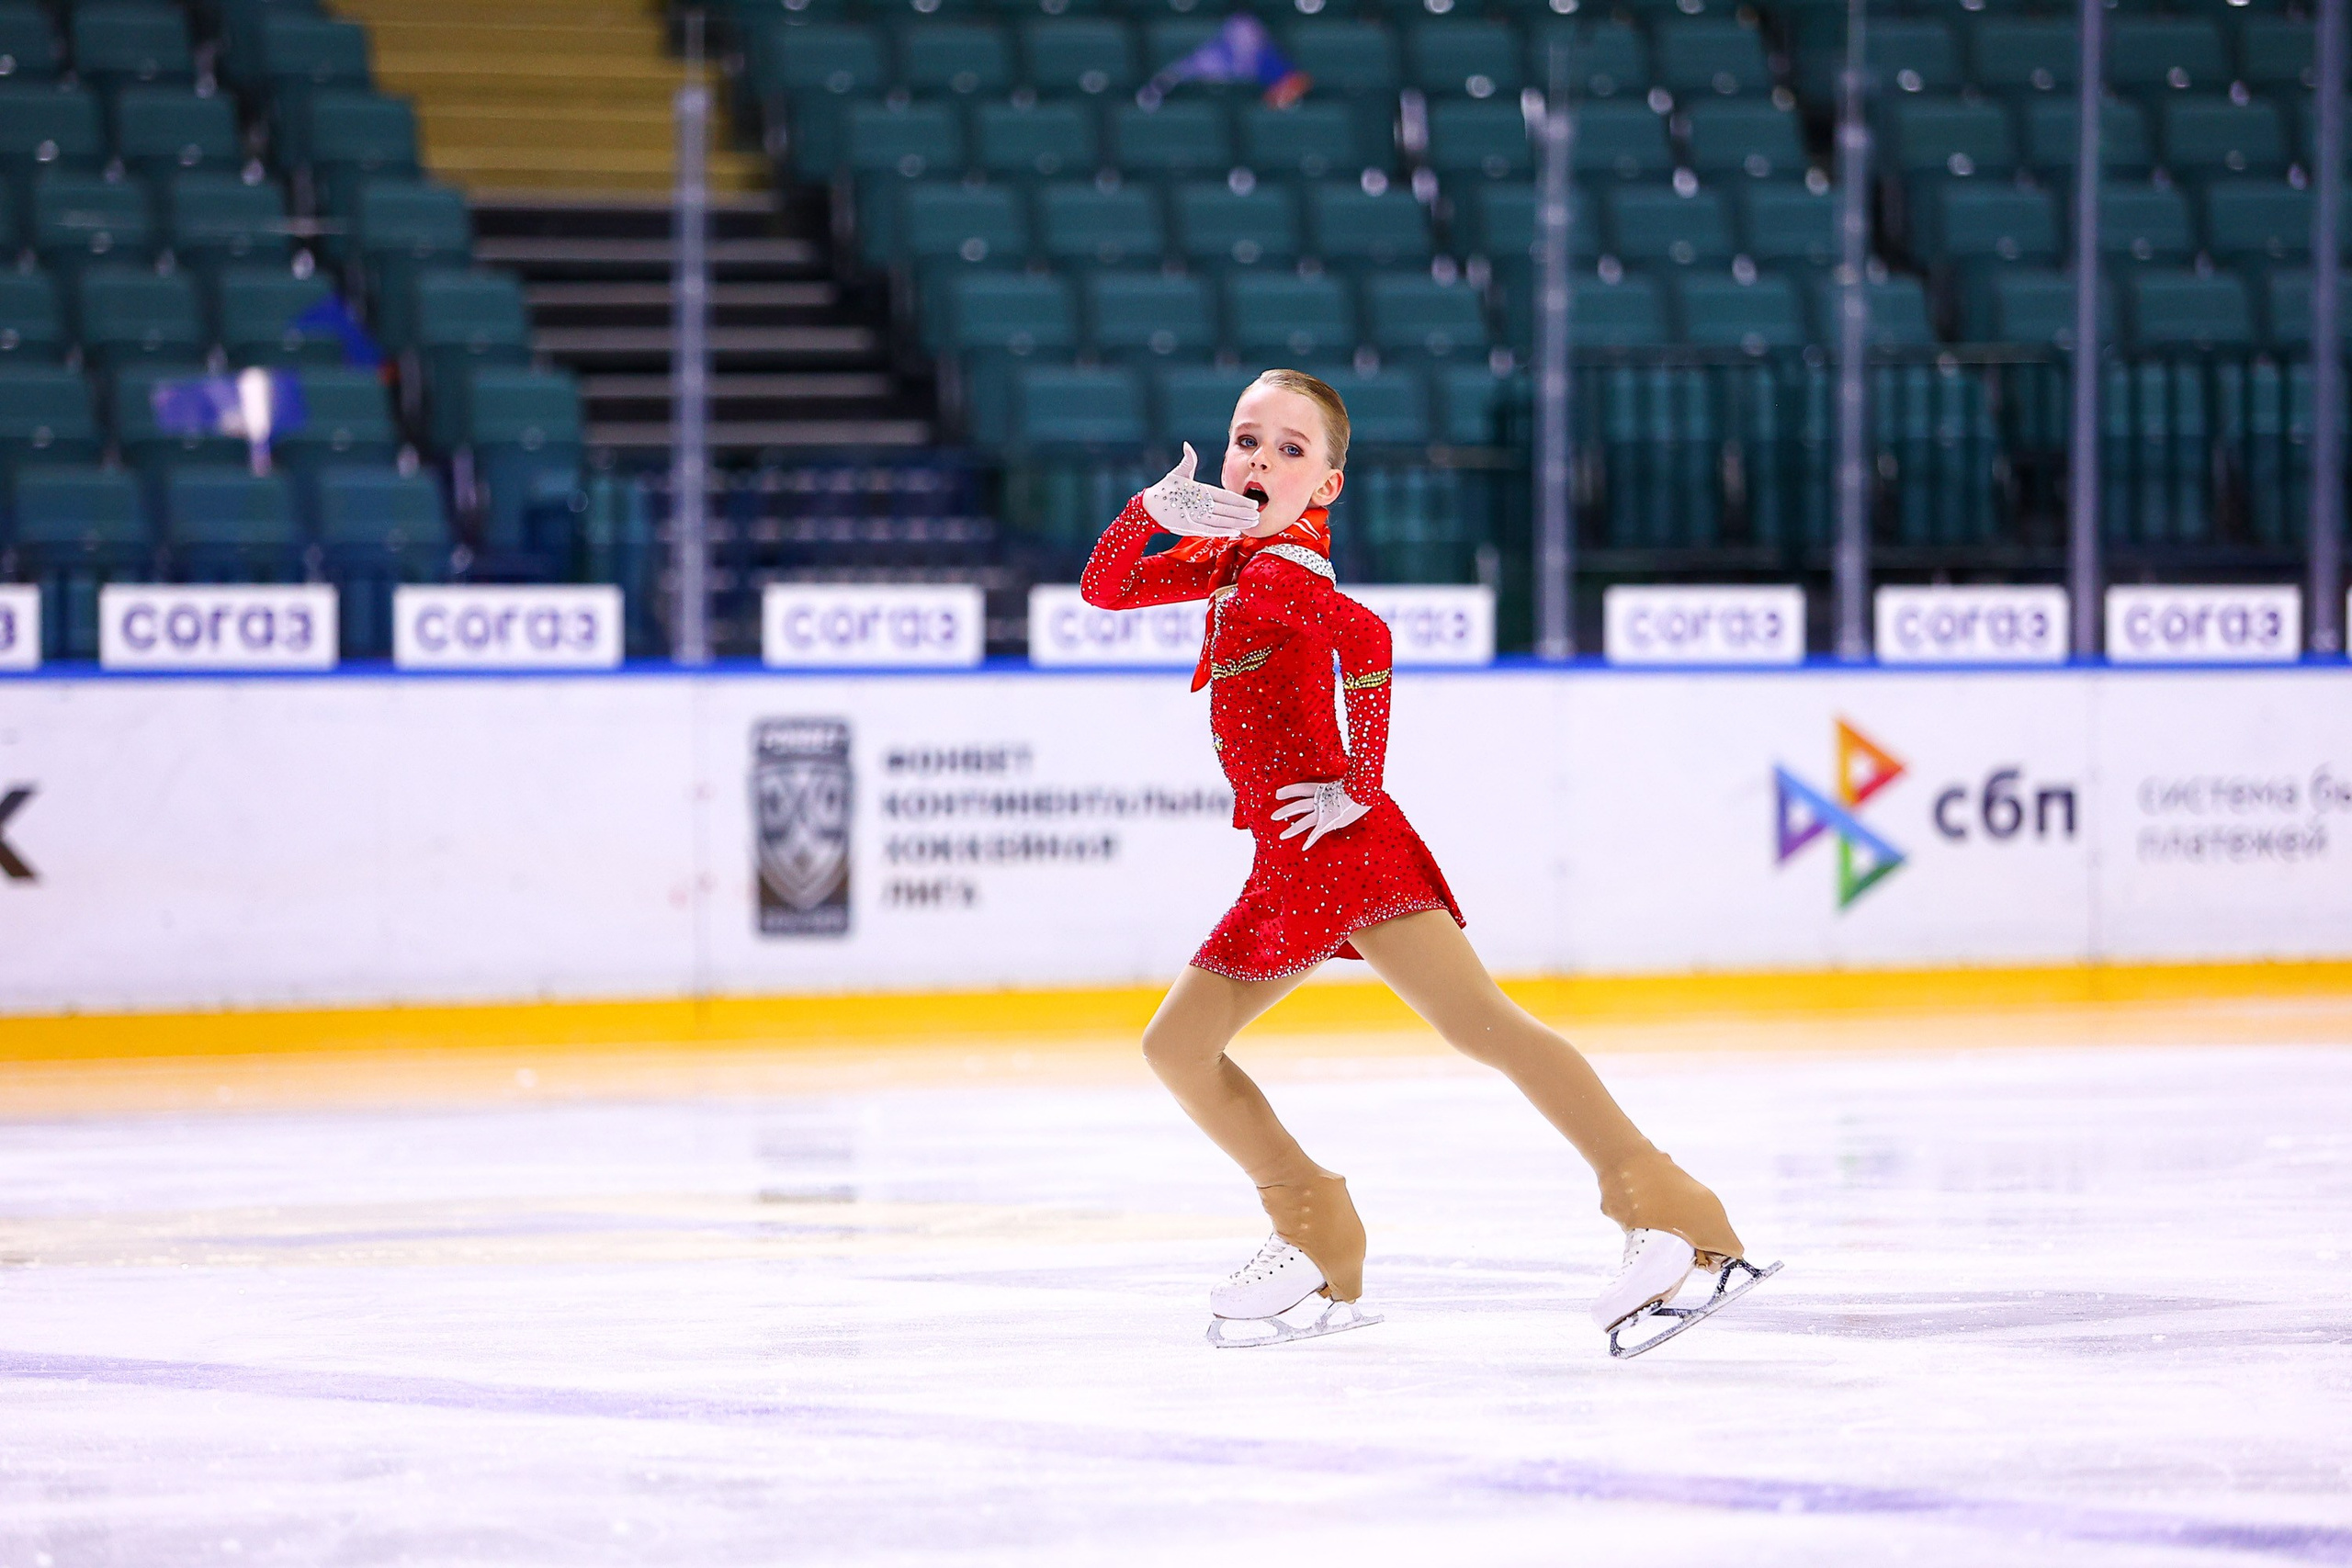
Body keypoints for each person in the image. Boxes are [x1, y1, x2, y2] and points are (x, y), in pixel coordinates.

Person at [1079, 368, 1775, 1354]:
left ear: (1325, 486)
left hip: (1343, 849)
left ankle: (1671, 1213)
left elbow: (1368, 639)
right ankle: (1312, 1224)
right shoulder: (1233, 561)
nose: (1259, 460)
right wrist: (1148, 507)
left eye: (1291, 449)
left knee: (1483, 1025)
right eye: (1246, 440)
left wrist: (1359, 783)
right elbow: (1106, 588)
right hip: (1289, 863)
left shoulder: (1279, 570)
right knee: (1176, 1048)